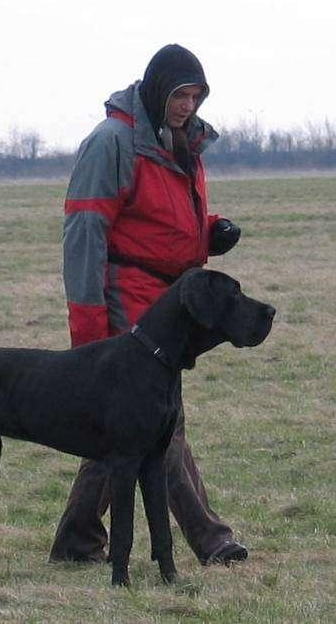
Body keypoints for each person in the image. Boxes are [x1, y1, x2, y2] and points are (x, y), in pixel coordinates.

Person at [49, 44, 245, 567]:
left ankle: (76, 541)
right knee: (161, 423)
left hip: (170, 301)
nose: (188, 105)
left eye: (196, 95)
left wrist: (210, 233)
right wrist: (87, 322)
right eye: (180, 94)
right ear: (158, 91)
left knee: (127, 425)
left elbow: (159, 219)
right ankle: (211, 540)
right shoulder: (112, 142)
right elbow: (84, 233)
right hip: (126, 301)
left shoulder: (181, 142)